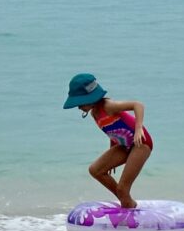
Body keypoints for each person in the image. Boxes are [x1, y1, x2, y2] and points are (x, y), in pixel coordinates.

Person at [63, 73, 152, 209]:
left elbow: (137, 105)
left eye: (79, 103)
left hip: (140, 143)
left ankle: (128, 204)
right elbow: (113, 132)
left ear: (89, 98)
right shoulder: (95, 114)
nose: (78, 107)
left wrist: (139, 128)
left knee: (123, 188)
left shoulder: (108, 106)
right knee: (95, 170)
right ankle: (126, 201)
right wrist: (112, 156)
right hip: (123, 145)